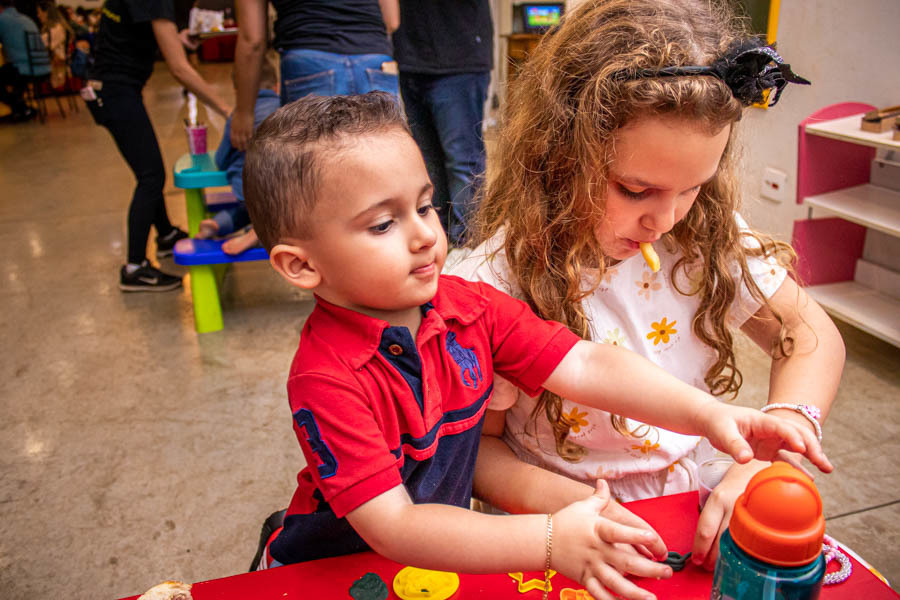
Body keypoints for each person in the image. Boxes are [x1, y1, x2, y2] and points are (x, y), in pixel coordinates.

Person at [240, 92, 831, 600]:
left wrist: (708, 414)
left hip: (430, 564)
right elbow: (394, 525)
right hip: (332, 570)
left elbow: (585, 363)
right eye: (382, 224)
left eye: (423, 206)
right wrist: (550, 541)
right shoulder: (326, 378)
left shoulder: (468, 307)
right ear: (301, 265)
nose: (424, 235)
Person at [446, 0, 846, 579]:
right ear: (560, 154)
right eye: (635, 190)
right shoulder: (491, 283)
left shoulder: (704, 233)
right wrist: (583, 512)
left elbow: (808, 336)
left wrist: (775, 450)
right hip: (569, 526)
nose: (666, 220)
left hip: (695, 506)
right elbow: (479, 453)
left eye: (693, 186)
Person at [84, 0, 231, 292]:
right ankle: (134, 267)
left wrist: (178, 39)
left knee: (149, 170)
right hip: (115, 92)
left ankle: (165, 235)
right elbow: (179, 68)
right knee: (150, 176)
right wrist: (228, 110)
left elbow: (139, 31)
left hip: (112, 89)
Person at [229, 0, 400, 152]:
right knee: (382, 162)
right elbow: (392, 21)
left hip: (310, 58)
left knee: (314, 169)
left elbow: (253, 41)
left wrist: (244, 113)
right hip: (374, 60)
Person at [391, 0, 492, 247]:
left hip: (460, 59)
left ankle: (465, 245)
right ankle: (440, 239)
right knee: (426, 162)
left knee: (462, 162)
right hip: (411, 60)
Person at [195, 51, 279, 255]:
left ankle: (218, 224)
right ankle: (257, 234)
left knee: (247, 209)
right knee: (273, 212)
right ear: (277, 86)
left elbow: (222, 160)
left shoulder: (238, 117)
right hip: (279, 189)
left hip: (245, 188)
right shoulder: (285, 109)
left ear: (237, 91)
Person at [0, 0, 47, 121]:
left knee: (8, 72)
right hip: (43, 67)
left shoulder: (3, 19)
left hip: (25, 69)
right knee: (9, 71)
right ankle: (21, 109)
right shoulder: (26, 19)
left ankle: (21, 108)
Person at [36, 0, 71, 89]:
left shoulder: (57, 29)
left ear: (46, 13)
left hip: (56, 69)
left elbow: (40, 44)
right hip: (54, 64)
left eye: (39, 12)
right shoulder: (54, 28)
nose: (38, 15)